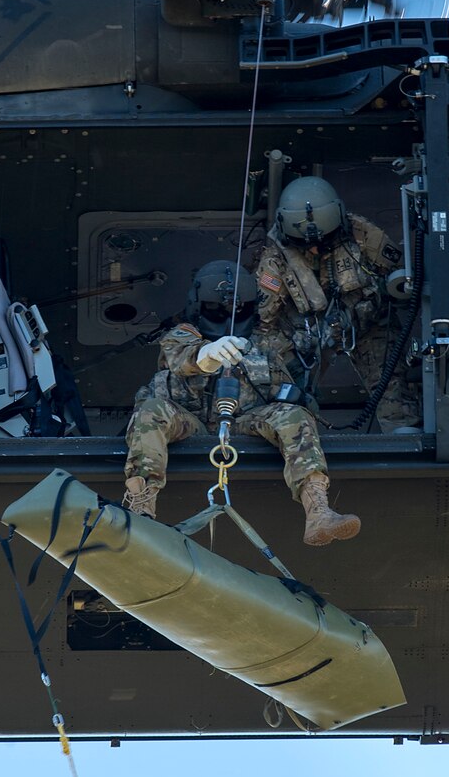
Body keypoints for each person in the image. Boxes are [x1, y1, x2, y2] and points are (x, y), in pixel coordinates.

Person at [121, 261, 360, 546]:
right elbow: (179, 359)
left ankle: (318, 510)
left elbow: (292, 386)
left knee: (295, 416)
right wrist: (207, 354)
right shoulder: (181, 334)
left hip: (246, 422)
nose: (228, 315)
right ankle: (141, 508)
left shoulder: (268, 342)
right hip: (189, 422)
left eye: (239, 308)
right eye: (216, 308)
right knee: (149, 412)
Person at [251, 175, 419, 432]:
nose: (316, 250)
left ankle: (402, 430)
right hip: (306, 334)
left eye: (324, 242)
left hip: (365, 324)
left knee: (390, 377)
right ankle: (293, 435)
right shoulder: (275, 260)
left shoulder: (362, 234)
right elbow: (262, 322)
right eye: (308, 246)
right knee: (285, 385)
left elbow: (401, 278)